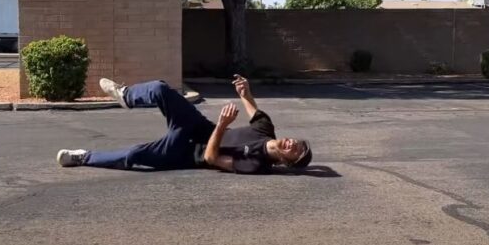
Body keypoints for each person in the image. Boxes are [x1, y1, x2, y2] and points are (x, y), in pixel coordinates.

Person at [56, 76, 312, 174]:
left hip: (187, 153)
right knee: (160, 89)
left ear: (285, 161)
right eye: (297, 142)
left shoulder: (257, 164)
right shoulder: (266, 128)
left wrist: (222, 126)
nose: (292, 143)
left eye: (295, 150)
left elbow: (212, 158)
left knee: (135, 155)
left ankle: (83, 157)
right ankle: (127, 95)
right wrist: (245, 92)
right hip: (199, 127)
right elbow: (252, 108)